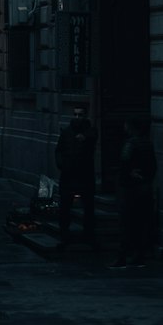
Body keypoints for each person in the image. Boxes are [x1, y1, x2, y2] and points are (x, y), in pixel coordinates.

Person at [113, 116, 157, 266]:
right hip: (145, 187)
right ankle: (139, 255)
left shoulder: (130, 144)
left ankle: (122, 256)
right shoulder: (148, 143)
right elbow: (153, 166)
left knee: (126, 223)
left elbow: (124, 161)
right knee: (142, 223)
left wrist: (128, 174)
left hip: (130, 189)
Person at [54, 104, 97, 247]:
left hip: (84, 175)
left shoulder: (90, 132)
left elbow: (93, 137)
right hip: (68, 174)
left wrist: (85, 137)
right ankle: (64, 234)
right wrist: (62, 165)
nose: (77, 117)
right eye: (75, 114)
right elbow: (59, 150)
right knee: (65, 206)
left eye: (80, 115)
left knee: (88, 206)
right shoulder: (66, 132)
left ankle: (88, 234)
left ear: (85, 116)